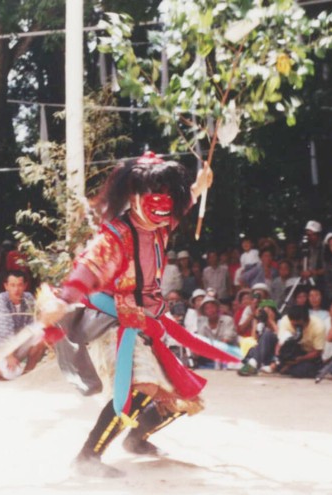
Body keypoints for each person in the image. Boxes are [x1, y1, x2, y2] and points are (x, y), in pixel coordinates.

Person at [37, 152, 235, 477]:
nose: (163, 200)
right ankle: (88, 456)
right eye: (154, 190)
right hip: (110, 322)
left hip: (145, 323)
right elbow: (88, 267)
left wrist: (200, 185)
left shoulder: (160, 225)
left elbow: (182, 206)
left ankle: (137, 439)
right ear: (133, 195)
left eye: (169, 191)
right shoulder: (114, 236)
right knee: (141, 387)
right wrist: (64, 299)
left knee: (176, 394)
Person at [0, 270, 45, 380]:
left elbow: (34, 323)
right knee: (11, 375)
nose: (16, 289)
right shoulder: (0, 300)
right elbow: (3, 329)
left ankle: (28, 373)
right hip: (1, 348)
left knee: (40, 334)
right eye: (12, 285)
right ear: (6, 286)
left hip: (18, 343)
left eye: (19, 285)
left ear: (25, 286)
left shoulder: (28, 298)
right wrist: (9, 355)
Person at [275, 305, 325, 378]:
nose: (296, 327)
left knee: (300, 371)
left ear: (306, 320)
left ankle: (288, 367)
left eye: (298, 324)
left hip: (309, 355)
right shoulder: (285, 321)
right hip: (292, 351)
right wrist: (279, 355)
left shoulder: (318, 326)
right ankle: (284, 365)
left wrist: (301, 359)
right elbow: (280, 342)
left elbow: (317, 351)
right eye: (293, 325)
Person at [237, 299, 280, 376]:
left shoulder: (280, 322)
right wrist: (256, 320)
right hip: (263, 354)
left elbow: (281, 337)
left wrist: (271, 321)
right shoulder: (261, 324)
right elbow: (255, 338)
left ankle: (253, 364)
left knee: (267, 333)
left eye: (268, 311)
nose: (266, 314)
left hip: (275, 354)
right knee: (253, 347)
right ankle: (253, 363)